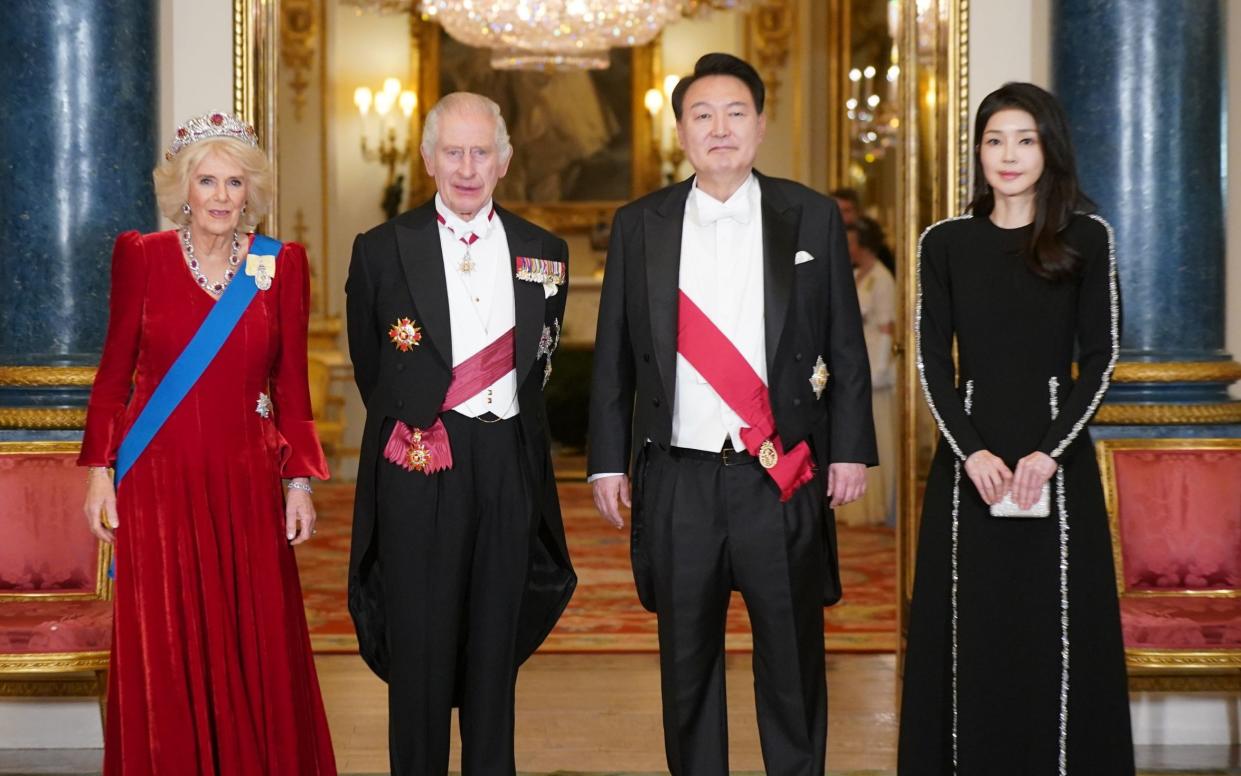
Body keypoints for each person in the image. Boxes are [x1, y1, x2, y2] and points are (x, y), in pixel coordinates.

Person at [589, 53, 877, 776]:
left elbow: (844, 341)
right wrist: (603, 460)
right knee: (685, 666)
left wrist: (849, 448)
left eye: (735, 113)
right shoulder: (639, 224)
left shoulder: (808, 213)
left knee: (792, 660)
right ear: (680, 131)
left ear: (760, 124)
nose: (719, 129)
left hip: (780, 474)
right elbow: (613, 358)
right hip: (678, 478)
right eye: (702, 115)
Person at [79, 111, 335, 775]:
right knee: (168, 638)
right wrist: (99, 474)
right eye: (207, 181)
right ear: (182, 190)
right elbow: (112, 374)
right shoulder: (143, 256)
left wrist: (298, 481)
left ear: (251, 192)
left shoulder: (280, 266)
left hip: (247, 479)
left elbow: (292, 385)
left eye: (235, 182)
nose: (221, 195)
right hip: (158, 483)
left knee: (255, 636)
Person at [898, 82, 1134, 775]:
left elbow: (1101, 356)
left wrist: (1047, 452)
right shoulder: (944, 242)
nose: (1007, 155)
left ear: (1049, 148)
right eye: (994, 139)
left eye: (1024, 140)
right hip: (968, 467)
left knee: (1052, 630)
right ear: (976, 150)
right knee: (972, 630)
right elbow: (929, 359)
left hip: (1054, 465)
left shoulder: (1087, 237)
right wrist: (970, 452)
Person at [345, 92, 576, 776]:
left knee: (492, 648)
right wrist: (421, 423)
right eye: (453, 151)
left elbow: (542, 357)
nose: (467, 167)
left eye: (481, 152)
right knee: (419, 640)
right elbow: (371, 365)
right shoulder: (383, 249)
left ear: (504, 161)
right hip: (421, 462)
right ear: (427, 159)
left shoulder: (544, 251)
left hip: (508, 462)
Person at [836, 217, 897, 527]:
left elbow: (888, 327)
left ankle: (877, 504)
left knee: (877, 433)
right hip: (856, 360)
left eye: (852, 243)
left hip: (876, 363)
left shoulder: (883, 279)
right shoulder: (858, 275)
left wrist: (881, 367)